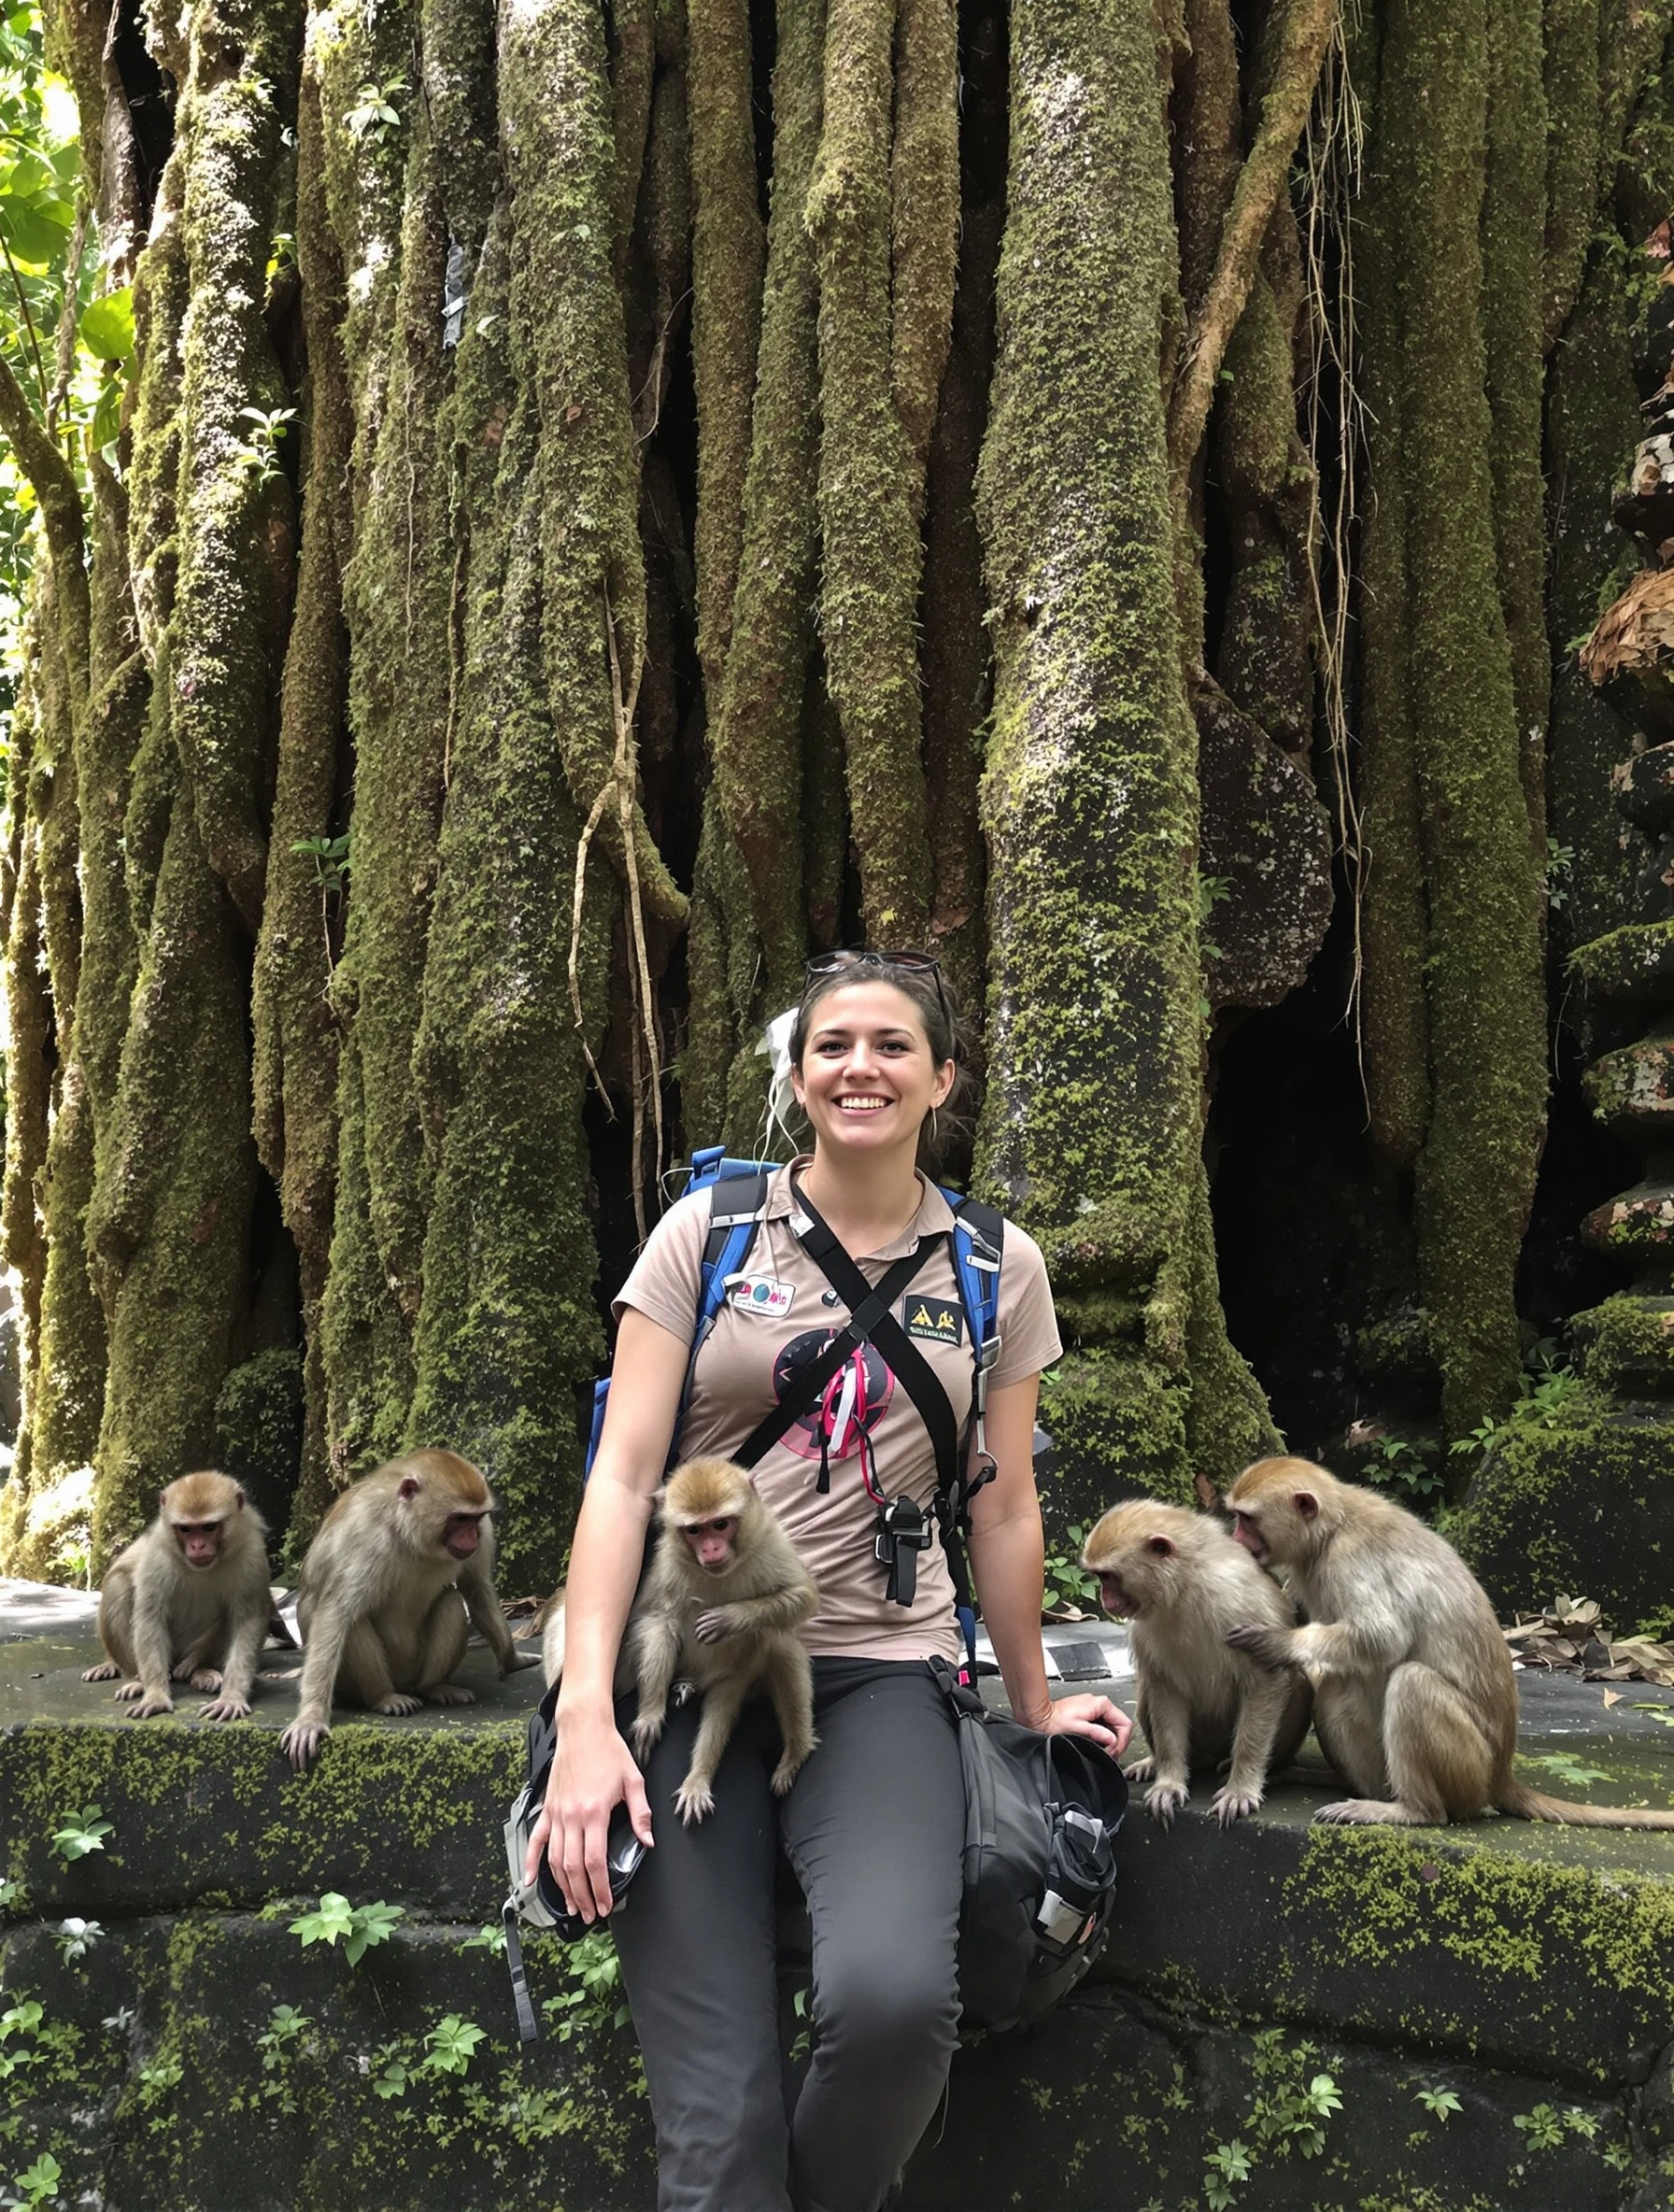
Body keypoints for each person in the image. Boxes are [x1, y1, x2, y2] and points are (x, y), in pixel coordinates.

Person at [526, 950, 1131, 2212]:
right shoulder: (713, 1229)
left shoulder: (992, 1266)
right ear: (798, 1077)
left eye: (892, 1045)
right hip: (683, 1677)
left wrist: (1029, 1704)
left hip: (878, 1676)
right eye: (832, 1045)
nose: (860, 1065)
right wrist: (587, 1718)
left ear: (942, 1077)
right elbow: (619, 1477)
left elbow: (1005, 1502)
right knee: (720, 2107)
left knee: (898, 2006)